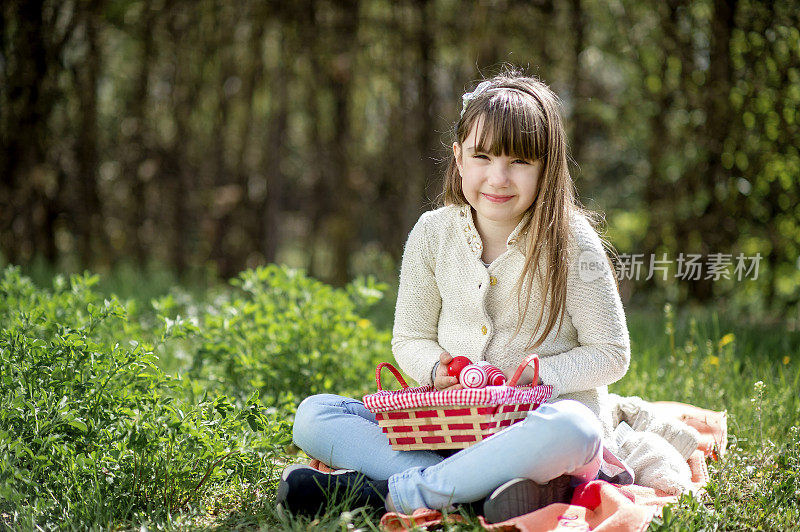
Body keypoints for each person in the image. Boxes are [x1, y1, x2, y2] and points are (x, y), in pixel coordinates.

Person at [277, 67, 631, 523]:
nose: (498, 178)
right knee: (314, 414)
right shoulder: (433, 234)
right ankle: (472, 488)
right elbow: (410, 338)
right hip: (447, 425)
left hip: (534, 430)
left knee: (577, 429)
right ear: (458, 158)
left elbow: (612, 353)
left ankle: (400, 490)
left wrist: (543, 374)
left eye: (519, 161)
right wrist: (436, 367)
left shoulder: (570, 240)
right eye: (482, 156)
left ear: (547, 167)